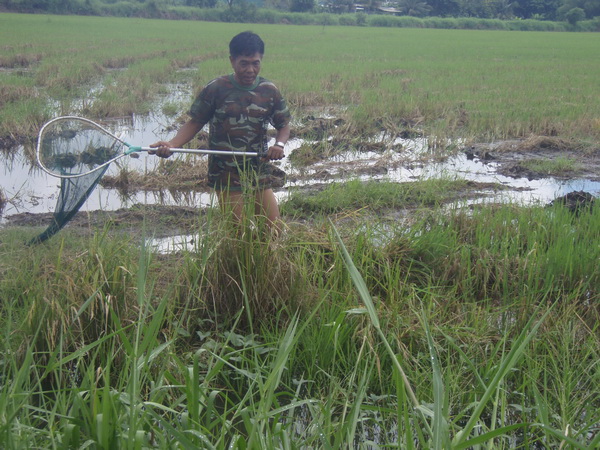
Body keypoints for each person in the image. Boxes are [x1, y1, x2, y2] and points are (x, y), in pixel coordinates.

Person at [150, 31, 291, 234]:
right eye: (244, 63)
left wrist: (279, 145)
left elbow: (284, 125)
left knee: (274, 229)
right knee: (239, 233)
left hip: (258, 166)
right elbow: (196, 121)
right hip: (225, 170)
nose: (250, 69)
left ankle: (268, 263)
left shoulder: (269, 90)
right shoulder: (216, 88)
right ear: (232, 61)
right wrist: (172, 144)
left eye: (255, 63)